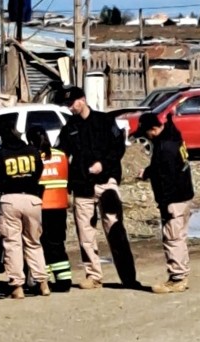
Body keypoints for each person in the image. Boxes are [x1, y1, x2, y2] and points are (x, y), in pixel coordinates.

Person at [54, 85, 139, 289]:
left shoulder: (105, 121)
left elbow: (118, 147)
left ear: (82, 99)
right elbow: (61, 155)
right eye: (67, 104)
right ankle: (93, 275)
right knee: (85, 234)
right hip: (82, 186)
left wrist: (104, 164)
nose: (70, 107)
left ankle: (128, 278)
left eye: (72, 103)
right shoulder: (69, 128)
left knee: (115, 229)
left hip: (106, 182)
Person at [0, 121, 51, 299]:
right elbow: (38, 173)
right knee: (34, 243)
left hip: (9, 200)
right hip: (32, 200)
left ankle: (17, 287)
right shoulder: (33, 152)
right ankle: (43, 283)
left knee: (13, 244)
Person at [136, 112, 194, 294]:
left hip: (173, 200)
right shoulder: (173, 137)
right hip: (184, 196)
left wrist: (165, 203)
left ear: (153, 129)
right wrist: (147, 173)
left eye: (146, 134)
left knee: (172, 238)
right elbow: (162, 168)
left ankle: (177, 278)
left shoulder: (165, 147)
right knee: (180, 237)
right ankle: (181, 274)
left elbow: (167, 177)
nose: (147, 138)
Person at [26, 125, 72, 292]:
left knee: (40, 244)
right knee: (58, 243)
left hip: (41, 206)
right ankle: (64, 280)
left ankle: (42, 279)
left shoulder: (34, 157)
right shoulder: (61, 155)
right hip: (60, 206)